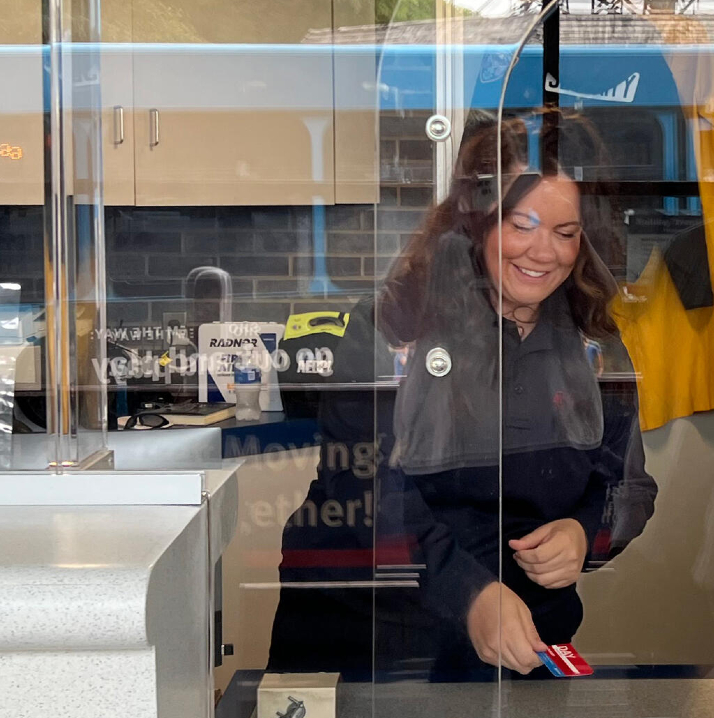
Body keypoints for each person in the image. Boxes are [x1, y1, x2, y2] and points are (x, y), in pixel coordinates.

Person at [268, 110, 656, 680]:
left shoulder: (593, 342)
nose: (543, 252)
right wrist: (467, 592)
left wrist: (585, 533)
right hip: (377, 640)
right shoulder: (391, 329)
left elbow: (629, 485)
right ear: (475, 219)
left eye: (565, 232)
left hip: (519, 646)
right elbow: (363, 491)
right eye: (521, 224)